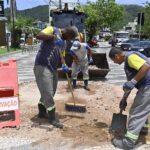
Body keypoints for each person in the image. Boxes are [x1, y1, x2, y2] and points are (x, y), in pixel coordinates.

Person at [34, 25, 78, 129]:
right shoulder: (53, 29)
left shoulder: (64, 42)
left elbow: (61, 56)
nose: (71, 40)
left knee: (51, 91)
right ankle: (52, 118)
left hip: (52, 68)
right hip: (42, 65)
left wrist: (64, 65)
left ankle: (42, 111)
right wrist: (53, 37)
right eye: (71, 37)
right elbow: (39, 35)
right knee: (48, 92)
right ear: (68, 33)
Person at [109, 47, 150, 150]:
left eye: (113, 60)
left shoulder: (130, 57)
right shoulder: (128, 62)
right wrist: (124, 99)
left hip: (148, 86)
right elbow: (129, 85)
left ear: (117, 56)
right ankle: (142, 129)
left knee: (136, 112)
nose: (114, 62)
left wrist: (133, 82)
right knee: (142, 108)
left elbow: (146, 66)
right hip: (145, 86)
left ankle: (128, 143)